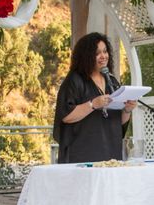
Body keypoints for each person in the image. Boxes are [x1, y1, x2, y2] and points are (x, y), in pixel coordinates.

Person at [53, 32, 137, 163]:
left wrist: (127, 110)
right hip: (83, 155)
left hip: (110, 153)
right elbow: (66, 115)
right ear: (86, 56)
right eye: (97, 53)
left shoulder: (112, 81)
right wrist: (92, 104)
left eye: (105, 51)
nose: (103, 56)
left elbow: (117, 122)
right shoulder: (75, 80)